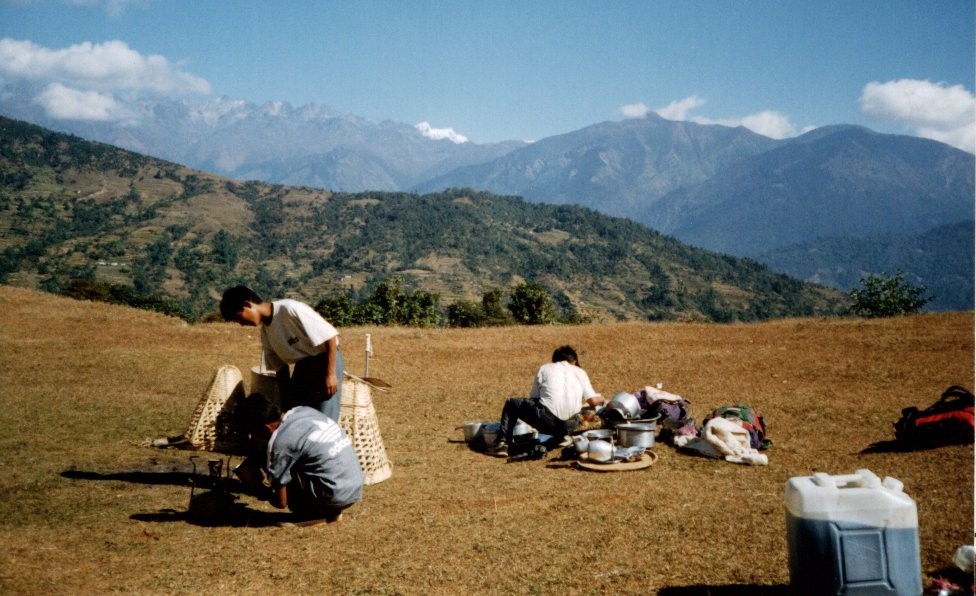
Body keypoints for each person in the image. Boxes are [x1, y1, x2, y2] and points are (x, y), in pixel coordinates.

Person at [220, 285, 344, 422]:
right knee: (298, 416)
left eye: (239, 318)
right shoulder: (266, 335)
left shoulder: (289, 309)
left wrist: (331, 374)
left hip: (325, 360)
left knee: (324, 416)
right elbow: (281, 369)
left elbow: (330, 337)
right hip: (302, 367)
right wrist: (287, 404)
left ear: (247, 305)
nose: (242, 324)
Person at [243, 392, 363, 525]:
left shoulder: (279, 443)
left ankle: (313, 515)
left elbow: (281, 502)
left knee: (283, 467)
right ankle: (330, 510)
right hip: (353, 488)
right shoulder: (302, 410)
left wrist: (257, 488)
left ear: (266, 428)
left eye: (253, 434)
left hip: (333, 495)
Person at [491, 345, 603, 456]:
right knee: (577, 412)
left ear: (554, 360)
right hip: (570, 425)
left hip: (547, 421)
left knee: (512, 404)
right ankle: (561, 437)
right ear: (574, 361)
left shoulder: (545, 368)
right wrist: (603, 399)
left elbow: (534, 399)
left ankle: (503, 444)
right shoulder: (580, 372)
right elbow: (593, 401)